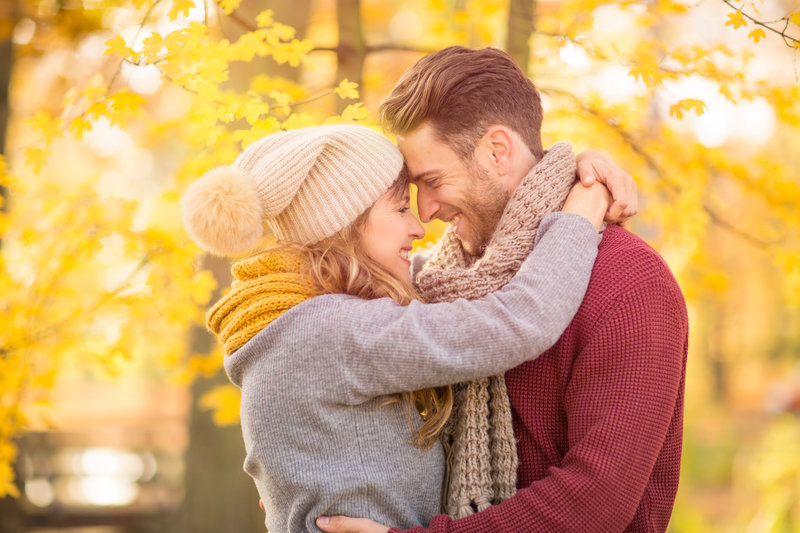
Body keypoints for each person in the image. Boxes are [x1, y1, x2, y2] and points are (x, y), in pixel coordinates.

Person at [316, 47, 688, 533]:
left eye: (432, 181)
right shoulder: (434, 282)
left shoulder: (629, 283)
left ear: (497, 150)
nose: (425, 213)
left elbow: (595, 505)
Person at [181, 124, 619, 533]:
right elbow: (518, 320)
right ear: (345, 225)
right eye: (400, 207)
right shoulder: (332, 330)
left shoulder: (297, 318)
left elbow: (467, 277)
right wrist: (582, 210)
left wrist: (565, 173)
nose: (418, 225)